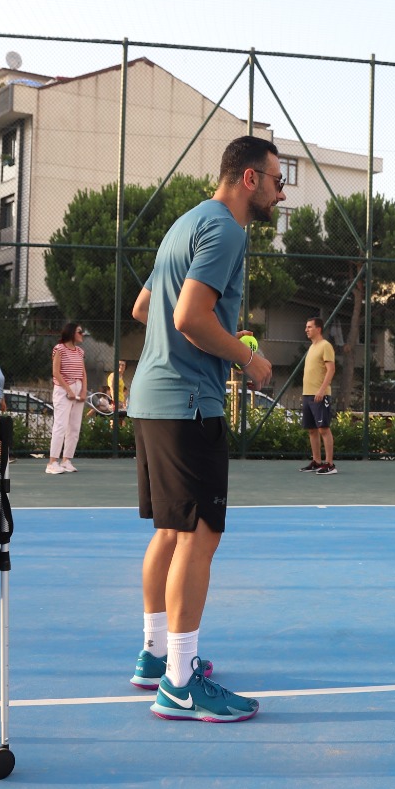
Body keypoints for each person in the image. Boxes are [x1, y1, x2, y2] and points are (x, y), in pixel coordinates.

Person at [125, 134, 280, 722]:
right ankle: (180, 683)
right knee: (199, 536)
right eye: (275, 179)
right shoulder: (228, 230)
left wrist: (191, 341)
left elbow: (147, 310)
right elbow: (189, 316)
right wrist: (246, 357)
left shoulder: (185, 222)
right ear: (247, 179)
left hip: (152, 395)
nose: (279, 191)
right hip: (188, 403)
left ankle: (156, 656)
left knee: (171, 531)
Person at [300, 316, 337, 475]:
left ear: (318, 329)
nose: (306, 329)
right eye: (306, 327)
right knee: (312, 430)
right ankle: (316, 461)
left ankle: (329, 464)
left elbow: (331, 370)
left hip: (320, 395)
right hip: (307, 394)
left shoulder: (325, 346)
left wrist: (322, 390)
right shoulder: (312, 347)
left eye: (309, 327)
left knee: (323, 429)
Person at [48, 322, 86, 474]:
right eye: (79, 331)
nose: (82, 334)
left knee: (74, 427)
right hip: (63, 391)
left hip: (77, 389)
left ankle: (66, 460)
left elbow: (83, 373)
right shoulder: (59, 349)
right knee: (61, 425)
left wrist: (83, 391)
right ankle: (52, 463)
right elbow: (56, 372)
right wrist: (68, 390)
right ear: (71, 333)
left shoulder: (80, 352)